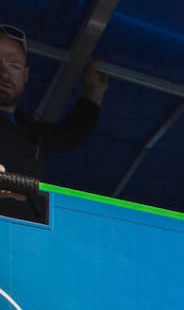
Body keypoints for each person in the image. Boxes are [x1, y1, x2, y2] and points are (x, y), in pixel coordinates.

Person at [0, 24, 107, 223]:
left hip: (24, 240)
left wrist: (94, 89)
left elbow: (73, 134)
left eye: (14, 66)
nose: (5, 72)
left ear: (25, 75)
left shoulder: (30, 131)